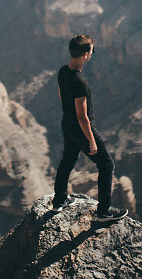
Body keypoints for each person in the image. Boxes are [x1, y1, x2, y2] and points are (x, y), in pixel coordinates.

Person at [52, 34, 128, 222]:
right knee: (106, 164)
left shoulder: (63, 71)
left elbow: (62, 98)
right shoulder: (80, 83)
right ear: (85, 55)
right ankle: (103, 211)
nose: (93, 53)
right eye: (92, 51)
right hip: (80, 127)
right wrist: (91, 141)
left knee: (68, 160)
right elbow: (82, 117)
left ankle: (59, 200)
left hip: (67, 123)